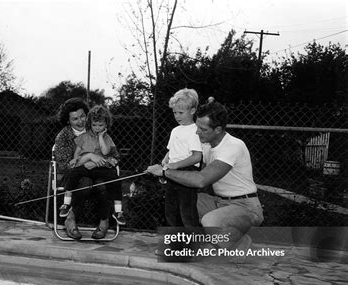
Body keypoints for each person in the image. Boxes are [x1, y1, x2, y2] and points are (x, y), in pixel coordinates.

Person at [146, 98, 264, 250]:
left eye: (203, 129)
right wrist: (164, 164)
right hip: (217, 201)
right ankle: (195, 243)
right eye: (197, 127)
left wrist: (165, 172)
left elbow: (201, 180)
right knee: (182, 204)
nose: (197, 132)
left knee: (210, 222)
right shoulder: (204, 144)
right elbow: (178, 154)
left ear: (218, 130)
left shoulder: (233, 146)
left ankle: (238, 241)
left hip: (245, 206)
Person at [54, 98, 118, 240]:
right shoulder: (63, 137)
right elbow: (65, 166)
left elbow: (114, 157)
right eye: (75, 119)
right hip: (74, 176)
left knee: (102, 184)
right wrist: (89, 156)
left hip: (98, 172)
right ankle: (70, 217)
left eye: (83, 116)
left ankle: (104, 220)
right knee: (85, 183)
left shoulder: (97, 128)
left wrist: (98, 162)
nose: (80, 121)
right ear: (68, 121)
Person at [161, 88, 202, 228]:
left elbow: (197, 156)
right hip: (173, 174)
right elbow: (171, 150)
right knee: (171, 211)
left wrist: (177, 165)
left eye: (180, 112)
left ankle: (195, 245)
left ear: (192, 111)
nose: (177, 116)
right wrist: (166, 159)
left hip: (187, 173)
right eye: (174, 112)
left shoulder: (195, 130)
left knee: (187, 212)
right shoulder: (175, 130)